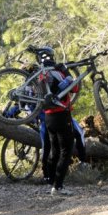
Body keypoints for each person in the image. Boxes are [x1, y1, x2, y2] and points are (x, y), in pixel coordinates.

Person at [36, 46, 79, 196]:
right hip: (61, 114)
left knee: (54, 151)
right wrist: (66, 71)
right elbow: (74, 88)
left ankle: (52, 181)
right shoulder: (56, 72)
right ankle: (58, 186)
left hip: (48, 117)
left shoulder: (41, 74)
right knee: (66, 150)